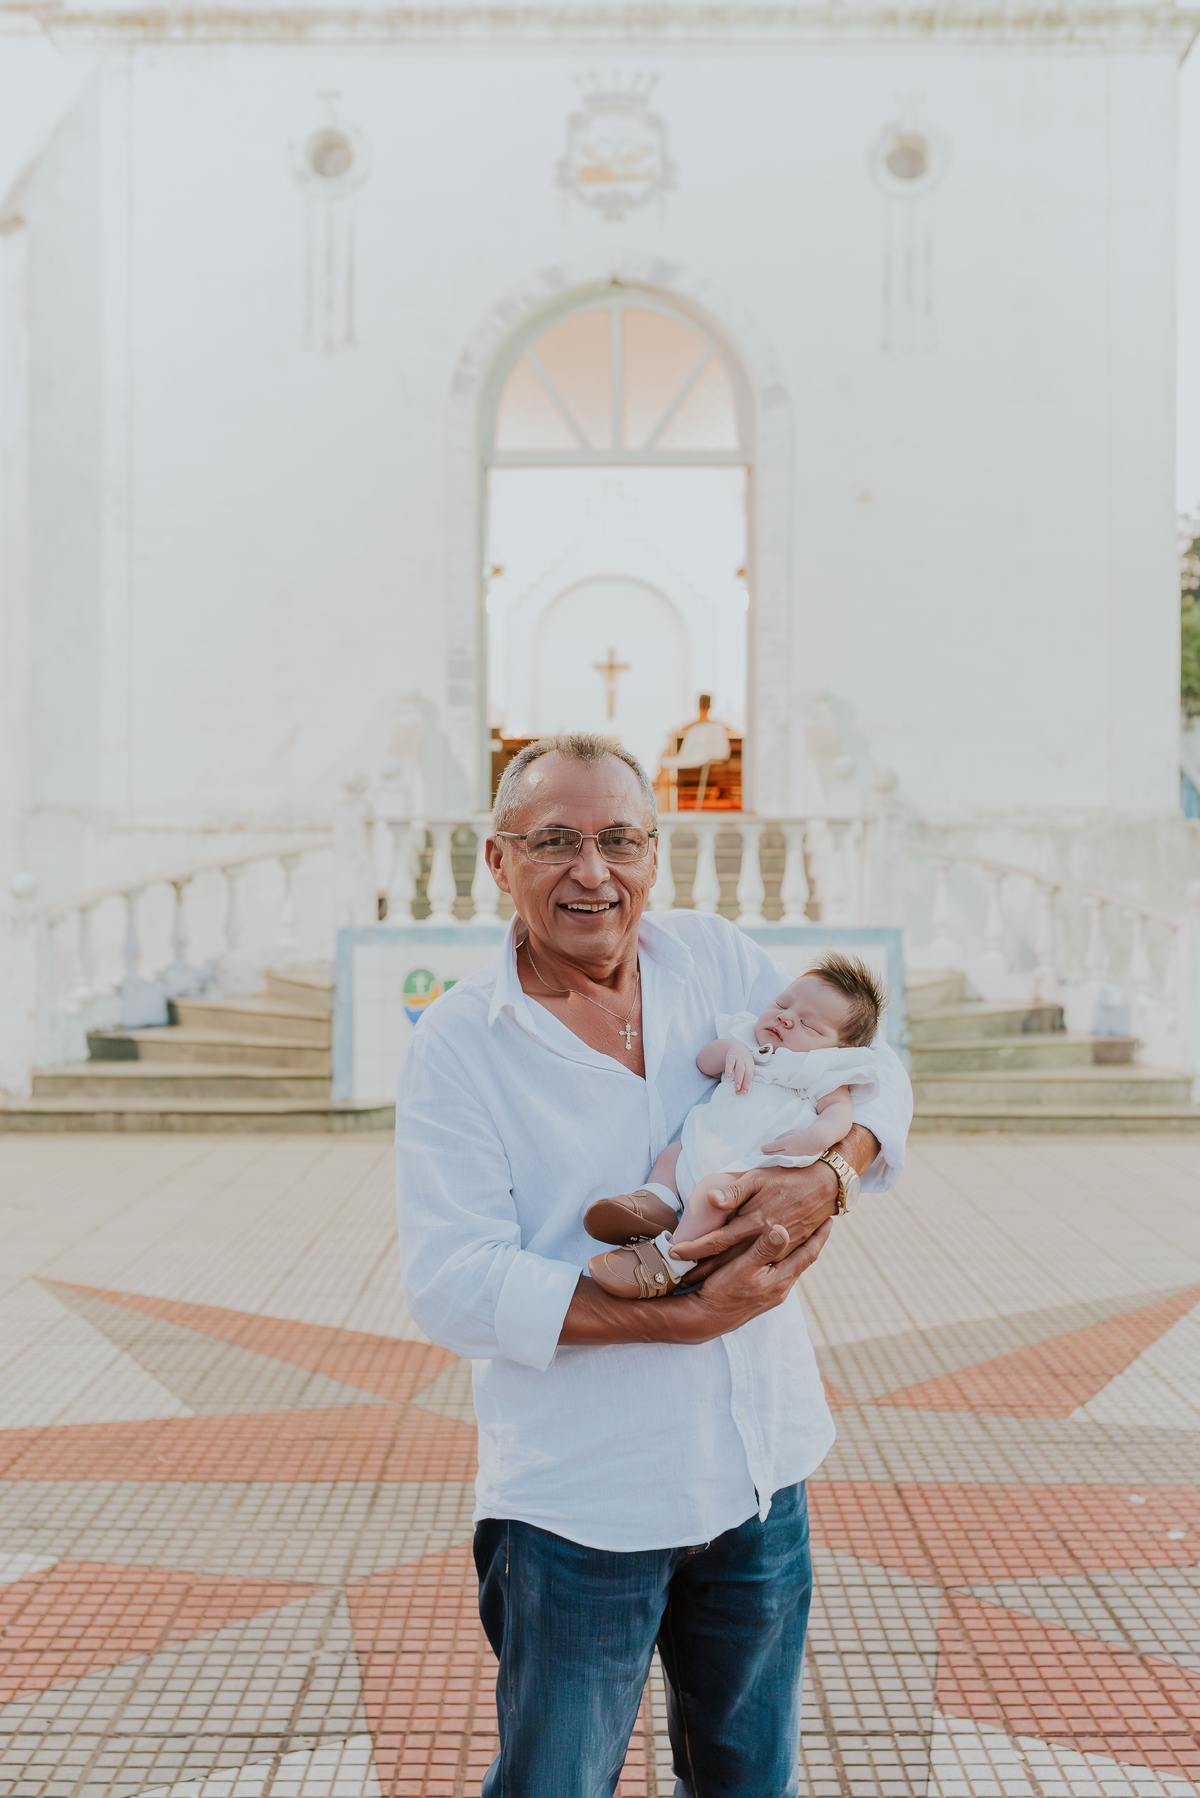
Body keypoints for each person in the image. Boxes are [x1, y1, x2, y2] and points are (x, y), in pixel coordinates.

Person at [396, 732, 913, 1798]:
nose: (594, 871)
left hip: (757, 1469)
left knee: (746, 1781)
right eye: (556, 841)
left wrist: (834, 1177)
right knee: (557, 1783)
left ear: (655, 851)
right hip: (582, 1504)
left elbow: (870, 1070)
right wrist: (673, 1318)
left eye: (619, 839)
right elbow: (451, 1280)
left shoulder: (715, 959)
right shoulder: (459, 1042)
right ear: (499, 862)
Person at [585, 955, 885, 1301]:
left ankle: (669, 1261)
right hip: (704, 1143)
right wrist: (732, 1050)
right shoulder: (745, 1039)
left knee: (711, 1196)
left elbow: (838, 1113)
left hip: (748, 1165)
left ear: (840, 1049)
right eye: (782, 1004)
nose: (785, 1018)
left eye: (809, 1025)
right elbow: (704, 1061)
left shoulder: (821, 1069)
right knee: (673, 1154)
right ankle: (654, 1203)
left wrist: (815, 1137)